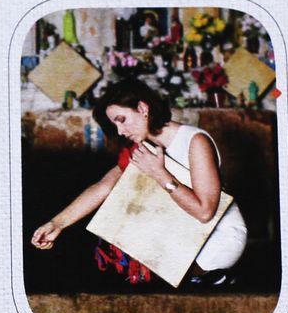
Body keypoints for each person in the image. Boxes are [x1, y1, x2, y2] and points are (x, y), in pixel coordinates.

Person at [29, 79, 247, 285]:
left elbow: (205, 212)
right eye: (115, 124)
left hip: (217, 239)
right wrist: (57, 224)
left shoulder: (195, 141)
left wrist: (159, 173)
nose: (120, 131)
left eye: (122, 120)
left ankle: (213, 277)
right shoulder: (142, 147)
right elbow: (103, 187)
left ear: (143, 108)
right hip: (182, 235)